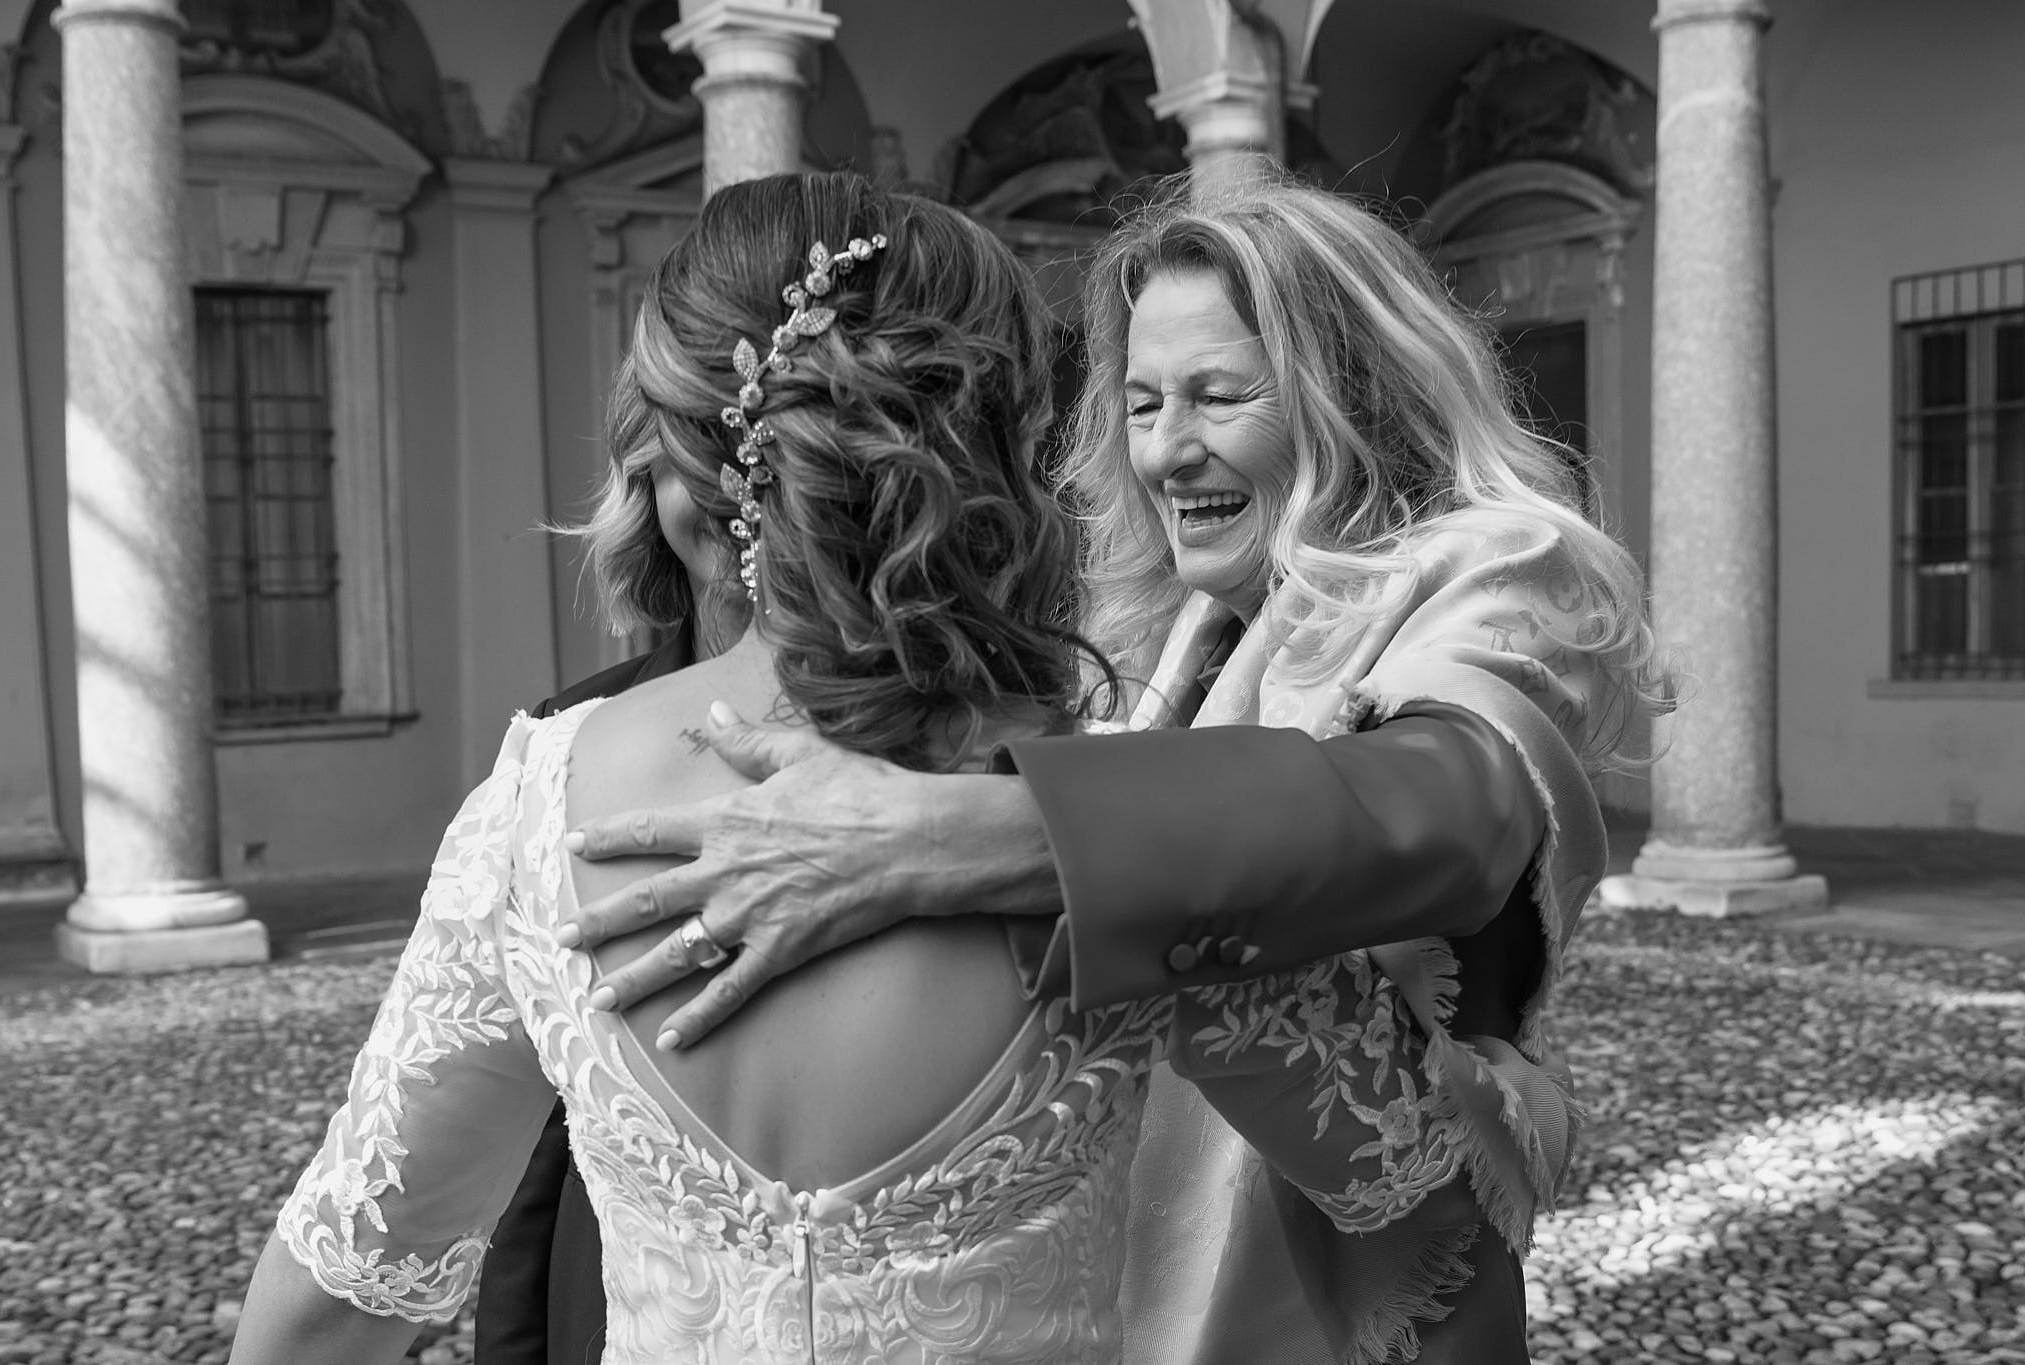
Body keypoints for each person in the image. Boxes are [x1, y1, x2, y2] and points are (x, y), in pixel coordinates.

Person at [552, 167, 1669, 1364]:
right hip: (1131, 1272)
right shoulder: (1166, 624)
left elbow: (1452, 810)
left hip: (1345, 1289)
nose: (1168, 451)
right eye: (1139, 405)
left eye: (1218, 396)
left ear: (1358, 393)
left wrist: (961, 839)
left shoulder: (1496, 565)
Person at [229, 171, 1176, 1365]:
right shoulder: (1151, 823)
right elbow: (1388, 1198)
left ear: (693, 466)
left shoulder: (546, 796)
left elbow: (330, 1301)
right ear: (1012, 448)